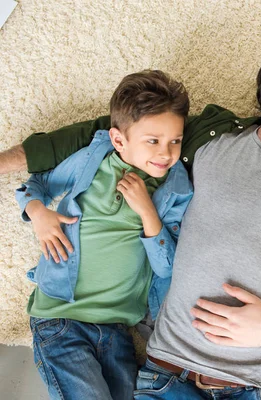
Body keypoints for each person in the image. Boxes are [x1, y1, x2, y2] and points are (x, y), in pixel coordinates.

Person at [2, 39, 261, 400]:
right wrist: (10, 167)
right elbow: (111, 132)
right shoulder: (207, 136)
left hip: (254, 387)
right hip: (167, 377)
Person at [15, 70, 193, 400]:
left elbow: (168, 266)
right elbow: (37, 183)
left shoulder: (176, 189)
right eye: (153, 140)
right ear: (119, 140)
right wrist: (38, 213)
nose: (166, 153)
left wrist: (147, 211)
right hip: (61, 318)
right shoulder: (93, 161)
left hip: (117, 330)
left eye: (175, 141)